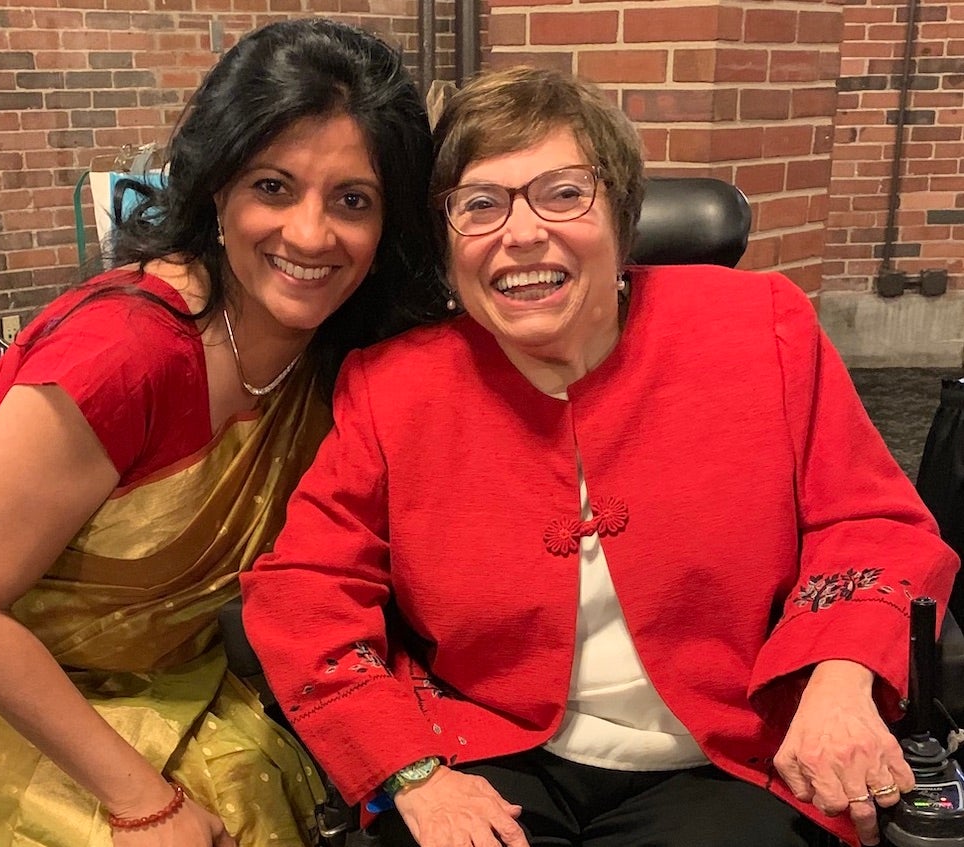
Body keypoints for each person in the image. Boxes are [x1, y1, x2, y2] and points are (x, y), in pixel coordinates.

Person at [240, 66, 960, 847]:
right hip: (489, 746)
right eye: (480, 205)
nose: (519, 233)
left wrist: (840, 676)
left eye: (562, 193)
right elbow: (304, 589)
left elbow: (871, 522)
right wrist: (410, 767)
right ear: (447, 249)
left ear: (622, 217)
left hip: (726, 756)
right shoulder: (396, 386)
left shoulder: (760, 329)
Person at [0, 17, 443, 847]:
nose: (311, 235)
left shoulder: (344, 356)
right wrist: (145, 803)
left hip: (153, 673)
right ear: (216, 189)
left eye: (354, 201)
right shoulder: (124, 353)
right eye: (274, 186)